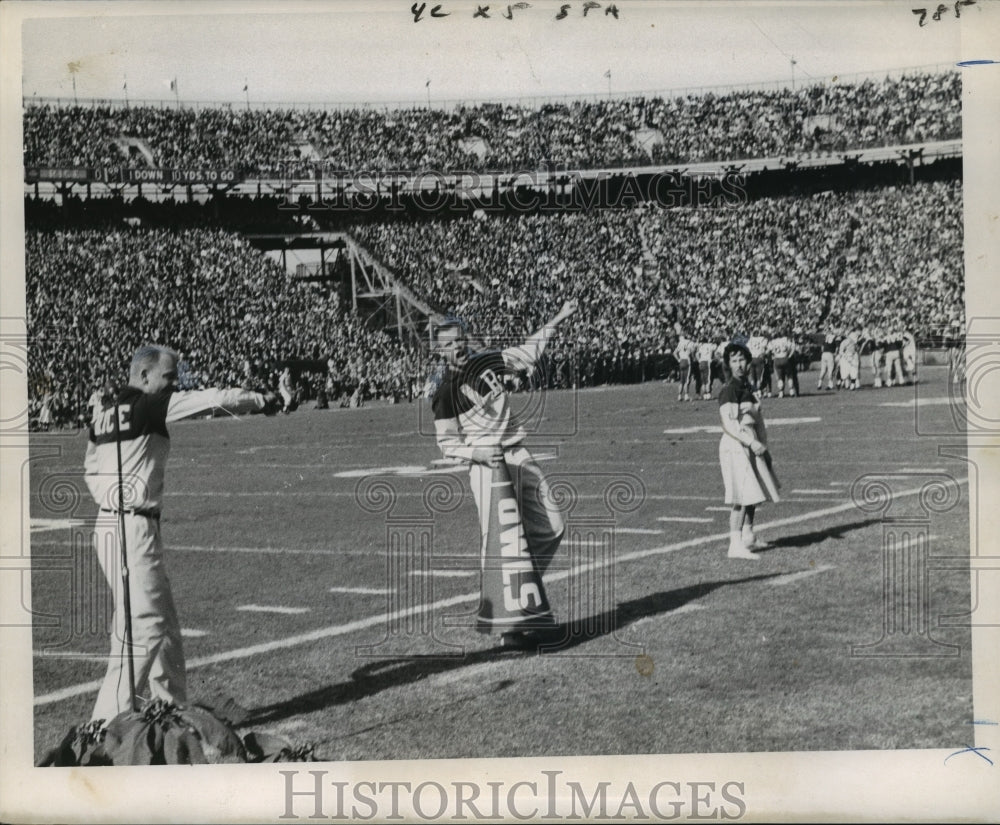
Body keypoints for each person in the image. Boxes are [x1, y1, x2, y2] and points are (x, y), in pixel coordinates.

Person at [84, 344, 277, 723]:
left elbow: (90, 465)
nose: (175, 385)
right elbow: (212, 401)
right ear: (144, 377)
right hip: (133, 526)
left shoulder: (104, 415)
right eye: (169, 377)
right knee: (146, 625)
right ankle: (106, 725)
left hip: (112, 523)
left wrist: (110, 497)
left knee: (163, 626)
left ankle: (171, 711)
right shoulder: (150, 405)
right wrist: (261, 399)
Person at [431, 299, 577, 648]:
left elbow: (529, 350)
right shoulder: (445, 393)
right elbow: (446, 443)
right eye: (448, 343)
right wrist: (477, 452)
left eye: (460, 339)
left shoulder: (490, 361)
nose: (457, 347)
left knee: (553, 525)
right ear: (439, 351)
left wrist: (558, 316)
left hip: (519, 453)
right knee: (497, 542)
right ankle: (507, 627)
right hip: (488, 466)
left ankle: (522, 596)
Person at [717, 343, 780, 560]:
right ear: (728, 364)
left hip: (751, 442)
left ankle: (748, 535)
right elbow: (730, 425)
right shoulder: (729, 390)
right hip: (736, 445)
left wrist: (764, 448)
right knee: (742, 494)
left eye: (742, 359)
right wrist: (752, 444)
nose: (739, 364)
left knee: (754, 491)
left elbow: (758, 422)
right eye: (734, 360)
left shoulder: (747, 388)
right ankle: (734, 545)